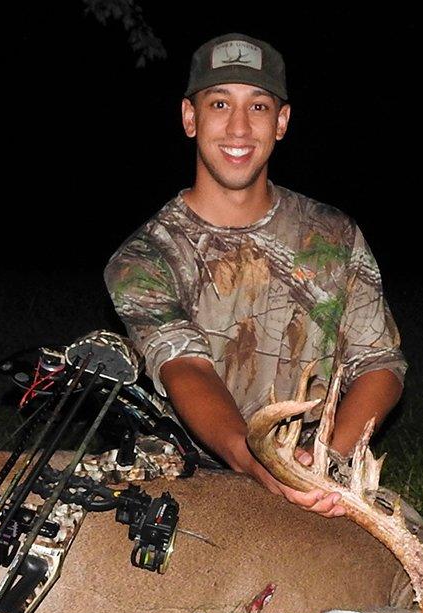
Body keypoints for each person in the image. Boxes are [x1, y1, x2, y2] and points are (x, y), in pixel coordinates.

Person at [105, 33, 406, 517]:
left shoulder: (332, 235)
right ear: (190, 117)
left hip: (320, 468)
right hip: (192, 473)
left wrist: (325, 461)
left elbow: (380, 365)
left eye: (259, 107)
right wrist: (258, 461)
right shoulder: (145, 259)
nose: (239, 127)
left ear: (281, 122)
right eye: (220, 103)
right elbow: (185, 367)